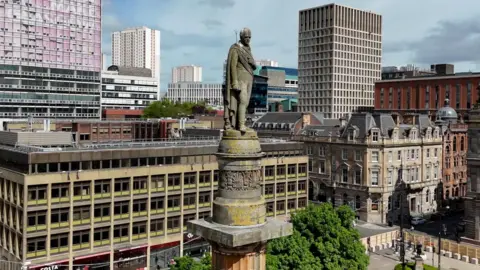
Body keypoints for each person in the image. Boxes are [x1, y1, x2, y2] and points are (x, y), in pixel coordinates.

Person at [223, 27, 257, 132]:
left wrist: (252, 63)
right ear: (241, 37)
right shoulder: (235, 48)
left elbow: (253, 65)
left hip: (249, 79)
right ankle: (241, 125)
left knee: (245, 103)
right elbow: (232, 66)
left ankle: (241, 122)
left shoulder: (248, 49)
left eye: (249, 37)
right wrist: (234, 82)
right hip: (240, 78)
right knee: (242, 100)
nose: (248, 39)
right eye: (246, 37)